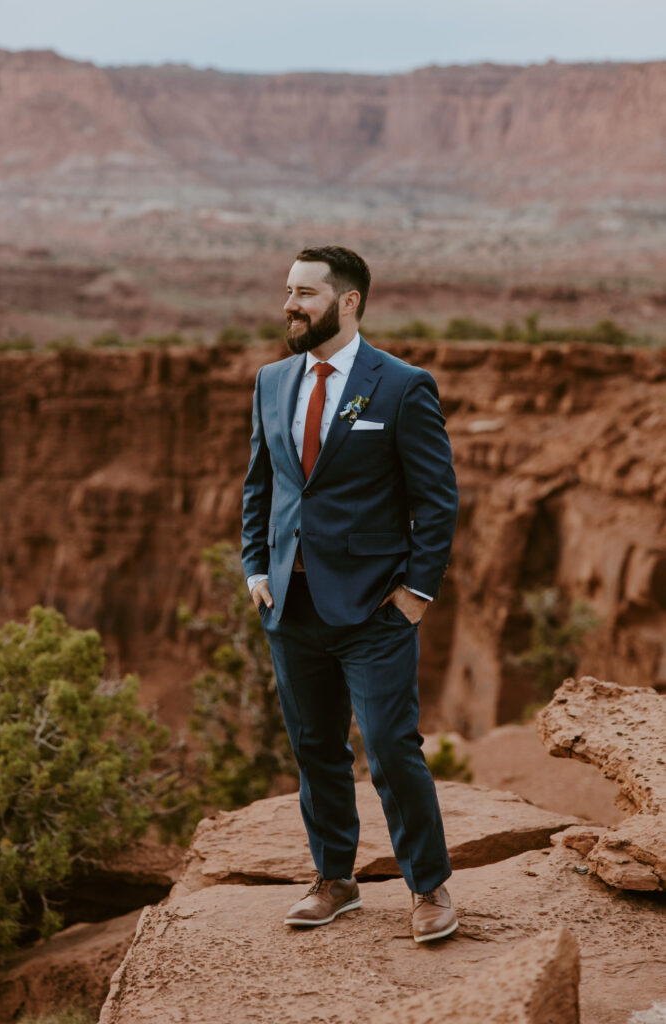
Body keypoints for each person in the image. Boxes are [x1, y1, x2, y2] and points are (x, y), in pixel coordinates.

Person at [241, 245, 459, 943]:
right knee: (314, 748)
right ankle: (334, 880)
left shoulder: (399, 385)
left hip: (373, 608)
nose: (289, 304)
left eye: (305, 292)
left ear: (349, 301)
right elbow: (261, 484)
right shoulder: (271, 381)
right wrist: (255, 569)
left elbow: (437, 499)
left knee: (392, 747)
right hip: (290, 605)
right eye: (287, 290)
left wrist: (416, 593)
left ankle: (429, 887)